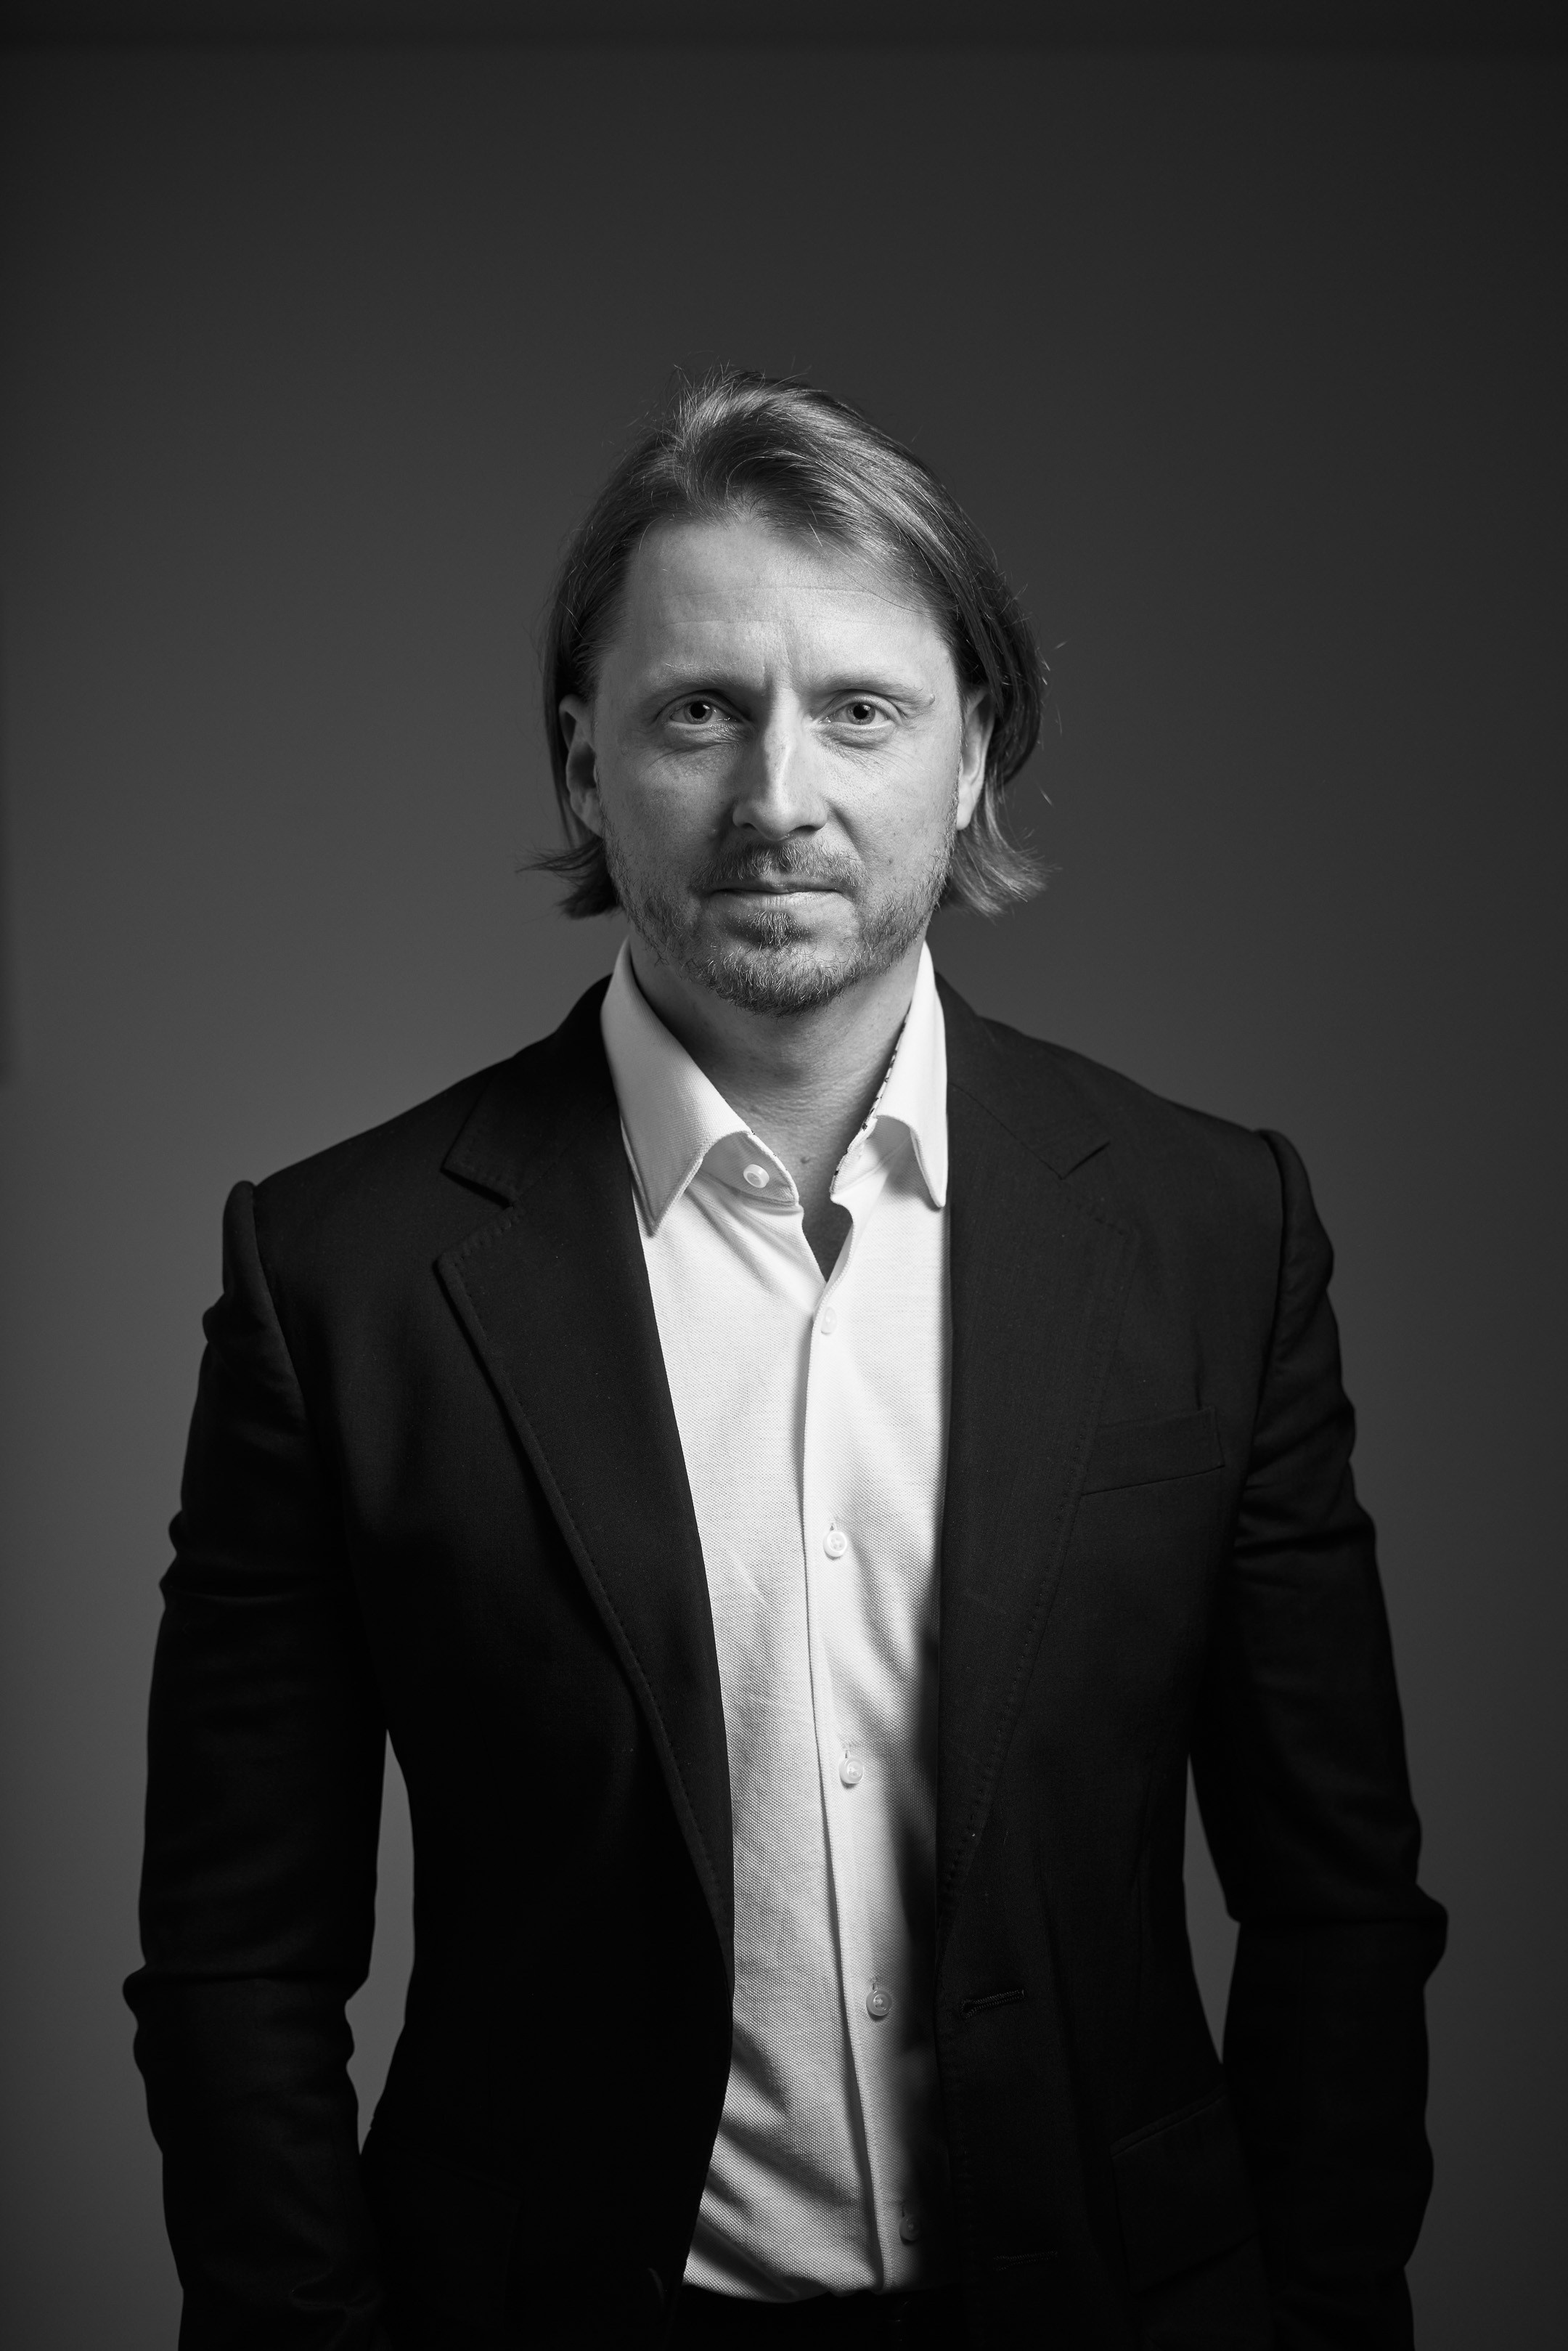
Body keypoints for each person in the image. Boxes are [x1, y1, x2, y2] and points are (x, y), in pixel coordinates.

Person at [127, 369, 1445, 2351]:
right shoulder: (344, 1274)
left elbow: (1339, 1900)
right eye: (695, 714)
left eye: (860, 710)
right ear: (583, 768)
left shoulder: (1213, 1229)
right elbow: (237, 1958)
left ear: (973, 755)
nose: (777, 802)